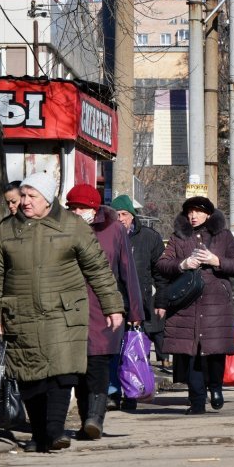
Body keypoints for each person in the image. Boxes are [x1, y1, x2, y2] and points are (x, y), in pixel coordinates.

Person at [0, 172, 125, 453]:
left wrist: (113, 306)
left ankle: (56, 430)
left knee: (61, 373)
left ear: (47, 200)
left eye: (32, 196)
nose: (24, 202)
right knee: (29, 376)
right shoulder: (6, 229)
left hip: (63, 312)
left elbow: (97, 269)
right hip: (20, 313)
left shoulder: (72, 227)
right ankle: (39, 433)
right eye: (22, 196)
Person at [65, 184, 144, 439]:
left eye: (82, 208)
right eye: (73, 208)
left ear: (94, 208)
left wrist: (134, 313)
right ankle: (86, 420)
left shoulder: (114, 229)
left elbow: (127, 271)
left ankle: (95, 419)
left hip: (104, 309)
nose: (77, 212)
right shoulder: (63, 228)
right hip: (70, 308)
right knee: (77, 369)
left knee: (98, 365)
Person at [155, 196, 234, 415]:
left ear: (208, 214)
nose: (193, 216)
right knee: (191, 353)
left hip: (215, 303)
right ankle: (196, 400)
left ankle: (215, 388)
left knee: (214, 352)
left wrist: (217, 261)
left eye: (197, 211)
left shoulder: (223, 236)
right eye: (190, 212)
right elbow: (162, 264)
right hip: (186, 304)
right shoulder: (178, 238)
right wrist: (183, 264)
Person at [111, 194, 170, 378]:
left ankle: (133, 391)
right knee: (114, 351)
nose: (120, 219)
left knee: (135, 349)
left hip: (140, 304)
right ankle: (113, 392)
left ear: (132, 216)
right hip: (113, 303)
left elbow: (161, 273)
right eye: (116, 215)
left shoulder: (149, 238)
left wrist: (161, 302)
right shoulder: (107, 236)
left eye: (123, 214)